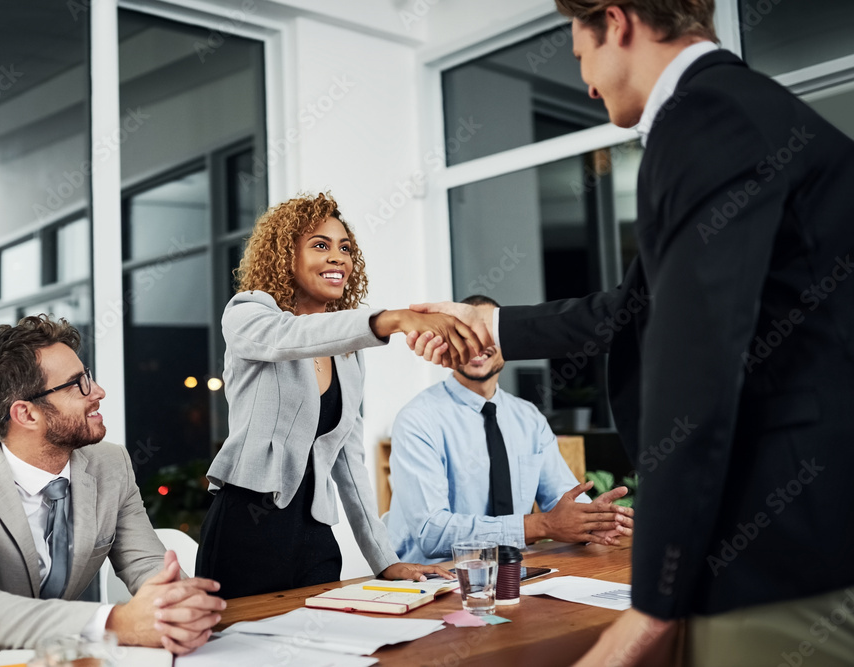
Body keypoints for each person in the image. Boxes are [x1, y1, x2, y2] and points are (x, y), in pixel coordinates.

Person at [407, 1, 854, 665]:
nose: (586, 83)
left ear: (616, 23)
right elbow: (645, 307)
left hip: (783, 544)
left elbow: (694, 359)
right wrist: (493, 325)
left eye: (579, 54)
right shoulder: (752, 111)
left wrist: (657, 595)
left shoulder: (706, 117)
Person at [196, 192, 479, 599]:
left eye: (345, 248)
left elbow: (349, 461)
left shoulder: (347, 352)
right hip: (246, 527)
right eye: (320, 245)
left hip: (314, 535)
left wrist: (385, 560)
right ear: (285, 256)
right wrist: (392, 319)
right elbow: (287, 337)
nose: (338, 258)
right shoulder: (247, 314)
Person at [0, 315, 224, 654]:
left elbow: (144, 563)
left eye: (88, 376)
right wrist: (114, 622)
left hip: (57, 656)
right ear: (26, 414)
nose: (97, 392)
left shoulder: (110, 463)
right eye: (76, 384)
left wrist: (178, 604)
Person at [387, 294, 633, 564]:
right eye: (463, 334)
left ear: (506, 340)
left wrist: (596, 522)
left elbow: (562, 498)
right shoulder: (418, 419)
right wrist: (542, 526)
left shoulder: (529, 418)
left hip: (515, 572)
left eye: (485, 333)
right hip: (432, 578)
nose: (475, 343)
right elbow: (432, 533)